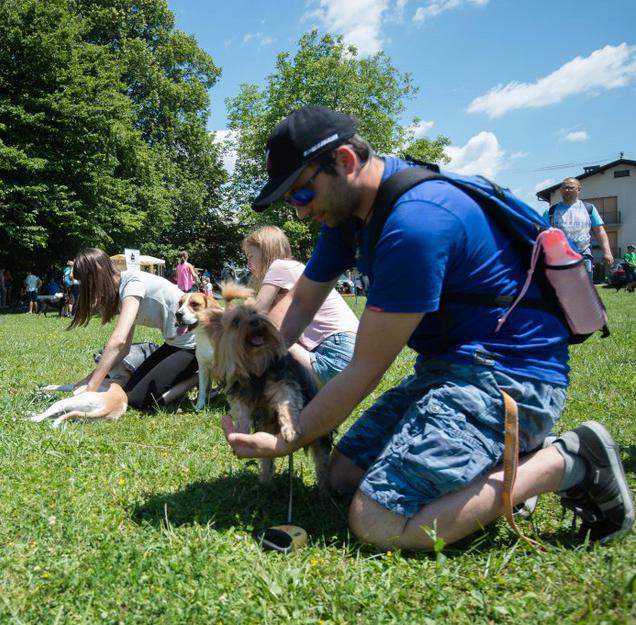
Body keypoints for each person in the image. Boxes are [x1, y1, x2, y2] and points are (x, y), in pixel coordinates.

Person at [222, 105, 633, 550]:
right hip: (445, 371)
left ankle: (569, 460)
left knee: (375, 520)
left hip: (509, 377)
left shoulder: (414, 224)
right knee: (341, 477)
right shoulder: (349, 214)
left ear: (343, 162)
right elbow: (302, 300)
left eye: (302, 194)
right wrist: (258, 363)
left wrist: (290, 438)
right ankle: (501, 460)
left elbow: (364, 370)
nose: (300, 213)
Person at [69, 248, 197, 409]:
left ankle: (201, 375)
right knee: (129, 390)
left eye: (86, 283)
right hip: (173, 344)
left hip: (193, 345)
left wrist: (90, 389)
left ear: (96, 274)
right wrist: (88, 379)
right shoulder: (122, 292)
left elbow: (118, 340)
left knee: (138, 400)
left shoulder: (132, 285)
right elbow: (124, 349)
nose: (88, 290)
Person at [243, 225, 358, 387]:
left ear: (266, 251)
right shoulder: (295, 270)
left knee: (265, 340)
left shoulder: (279, 266)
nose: (249, 264)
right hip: (353, 361)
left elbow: (255, 314)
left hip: (335, 353)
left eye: (250, 256)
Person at [548, 177, 614, 280]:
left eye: (570, 187)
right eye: (564, 188)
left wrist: (607, 252)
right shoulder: (552, 211)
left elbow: (600, 231)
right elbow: (542, 232)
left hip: (583, 254)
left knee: (585, 289)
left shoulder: (589, 209)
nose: (566, 190)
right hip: (559, 257)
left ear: (578, 189)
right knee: (563, 290)